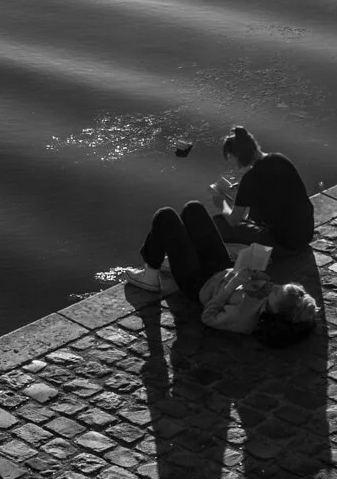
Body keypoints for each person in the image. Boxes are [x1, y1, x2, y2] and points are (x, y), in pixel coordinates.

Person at [126, 207, 319, 343]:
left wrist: (233, 284)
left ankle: (151, 274)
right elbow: (255, 285)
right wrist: (257, 275)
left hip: (199, 284)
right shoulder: (271, 301)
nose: (275, 287)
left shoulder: (244, 319)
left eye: (277, 291)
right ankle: (176, 259)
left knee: (165, 216)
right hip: (222, 268)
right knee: (193, 210)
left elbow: (208, 317)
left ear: (277, 311)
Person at [212, 126, 315, 251]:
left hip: (284, 244)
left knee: (220, 222)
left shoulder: (250, 179)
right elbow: (272, 187)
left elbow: (234, 220)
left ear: (239, 156)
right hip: (306, 234)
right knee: (254, 212)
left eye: (232, 157)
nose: (232, 162)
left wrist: (221, 202)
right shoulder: (280, 158)